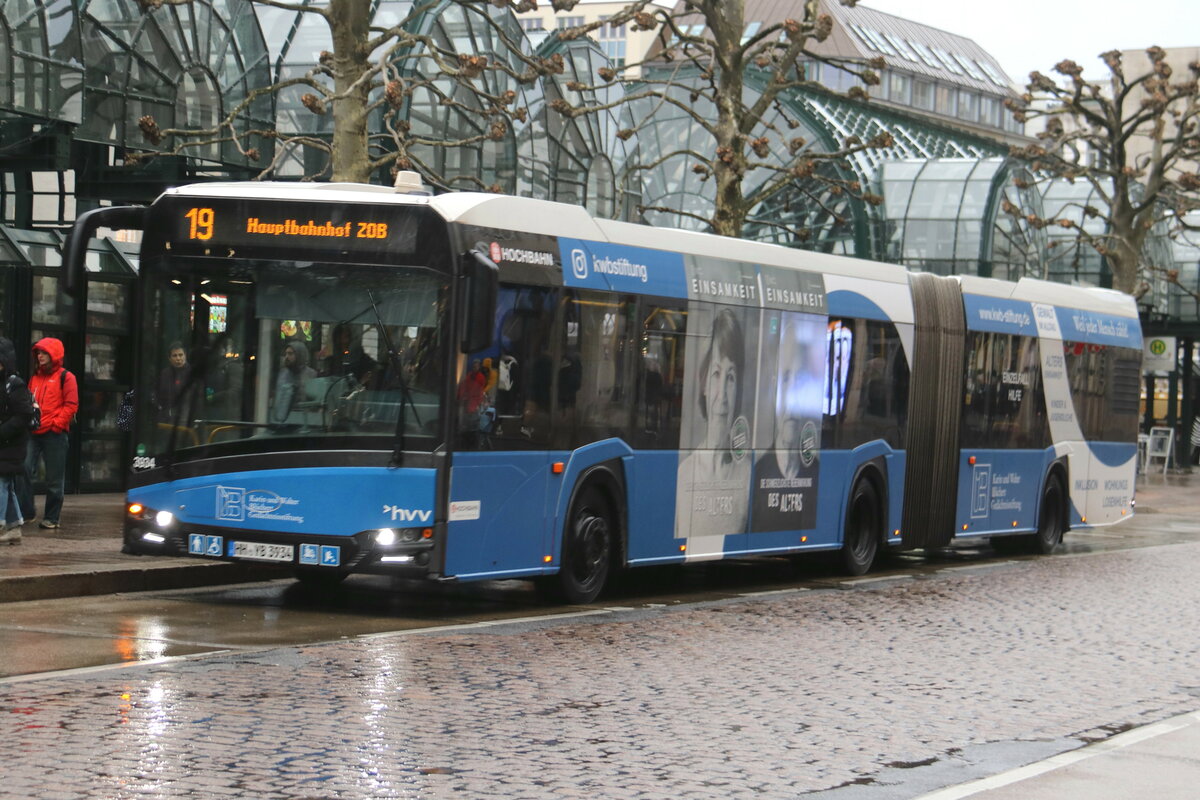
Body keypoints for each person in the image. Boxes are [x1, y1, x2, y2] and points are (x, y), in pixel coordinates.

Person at [675, 308, 751, 556]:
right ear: (704, 384)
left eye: (730, 377)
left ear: (739, 388)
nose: (723, 396)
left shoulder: (751, 474)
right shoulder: (684, 476)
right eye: (716, 374)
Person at [751, 315, 823, 532]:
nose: (792, 394)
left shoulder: (817, 473)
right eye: (785, 379)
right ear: (773, 390)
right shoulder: (757, 473)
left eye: (799, 380)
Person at [19, 337, 78, 529]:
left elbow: (71, 405)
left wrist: (56, 424)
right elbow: (29, 401)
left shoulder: (66, 377)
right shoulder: (35, 377)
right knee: (24, 468)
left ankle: (52, 517)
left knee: (54, 478)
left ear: (54, 355)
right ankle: (27, 512)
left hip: (55, 434)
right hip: (34, 431)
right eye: (39, 353)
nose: (40, 356)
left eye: (44, 352)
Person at [0, 337, 33, 544]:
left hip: (10, 443)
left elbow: (23, 416)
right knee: (7, 485)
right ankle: (14, 526)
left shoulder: (15, 384)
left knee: (1, 483)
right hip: (6, 441)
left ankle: (1, 523)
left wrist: (2, 432)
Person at [271, 340, 316, 426]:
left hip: (304, 422)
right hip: (282, 421)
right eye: (286, 354)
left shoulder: (311, 375)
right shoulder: (282, 374)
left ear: (300, 355)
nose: (287, 357)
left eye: (290, 354)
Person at [155, 342, 199, 422]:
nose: (178, 358)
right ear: (169, 358)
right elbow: (158, 395)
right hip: (166, 419)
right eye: (174, 356)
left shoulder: (193, 373)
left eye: (180, 355)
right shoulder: (164, 374)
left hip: (187, 419)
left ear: (185, 355)